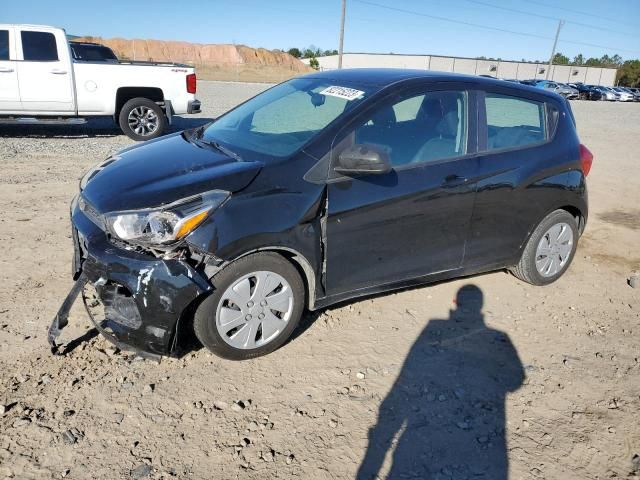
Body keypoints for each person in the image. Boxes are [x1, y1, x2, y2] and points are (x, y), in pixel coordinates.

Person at [357, 285, 524, 479]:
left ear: (456, 303)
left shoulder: (433, 326)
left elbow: (404, 375)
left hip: (411, 440)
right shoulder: (499, 336)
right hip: (481, 451)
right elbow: (516, 381)